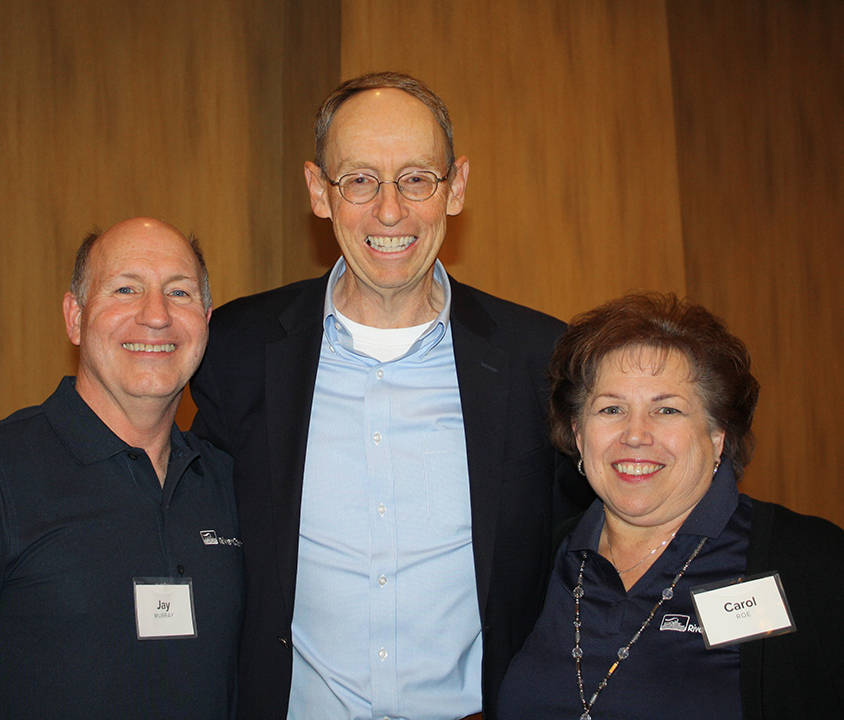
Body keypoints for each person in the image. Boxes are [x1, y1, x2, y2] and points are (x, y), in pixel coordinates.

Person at [190, 72, 591, 720]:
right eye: (359, 180)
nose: (389, 210)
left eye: (414, 179)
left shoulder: (540, 360)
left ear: (455, 187)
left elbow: (589, 554)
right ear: (319, 192)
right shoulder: (235, 349)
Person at [0, 218, 243, 719]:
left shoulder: (229, 482)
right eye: (126, 288)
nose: (156, 315)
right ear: (75, 317)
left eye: (180, 292)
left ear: (206, 321)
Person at [497, 292, 844, 719]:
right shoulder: (539, 563)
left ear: (717, 435)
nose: (636, 434)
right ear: (578, 434)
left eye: (666, 409)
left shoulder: (813, 561)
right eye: (611, 409)